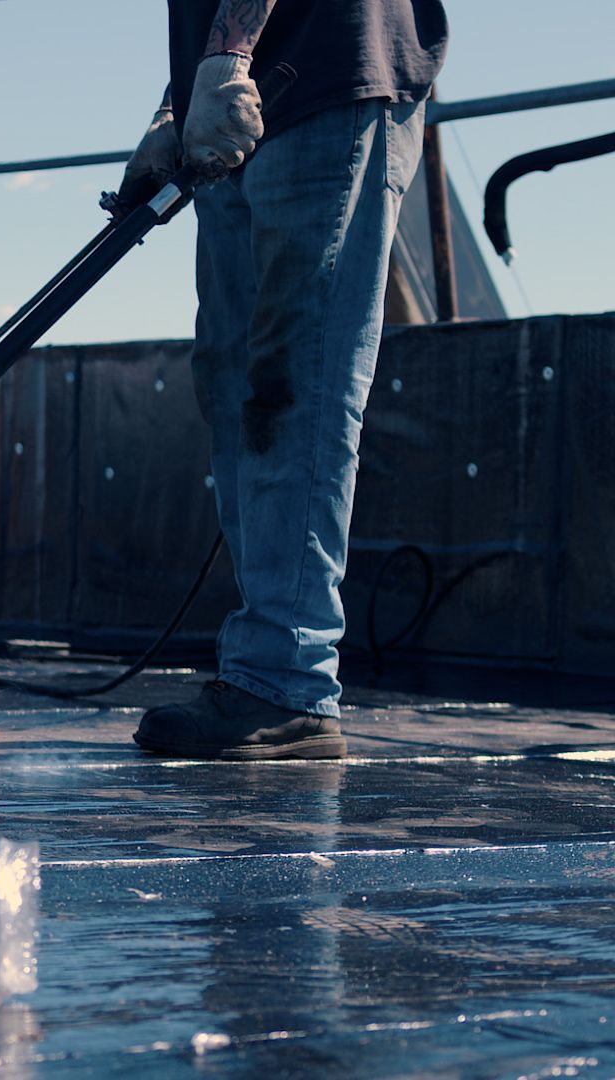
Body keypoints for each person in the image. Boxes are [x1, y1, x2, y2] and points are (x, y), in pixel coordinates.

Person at [117, 0, 449, 760]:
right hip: (241, 95)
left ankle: (288, 679)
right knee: (234, 382)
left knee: (293, 379)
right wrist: (178, 104)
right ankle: (265, 668)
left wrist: (226, 61)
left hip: (330, 76)